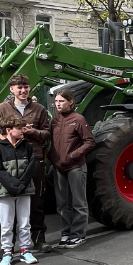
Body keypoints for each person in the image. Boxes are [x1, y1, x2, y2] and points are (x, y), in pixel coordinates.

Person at [0, 74, 52, 253]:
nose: (23, 90)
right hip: (10, 159)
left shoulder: (39, 109)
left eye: (25, 87)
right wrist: (7, 133)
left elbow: (47, 133)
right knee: (11, 203)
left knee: (37, 202)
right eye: (19, 87)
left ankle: (39, 239)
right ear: (12, 89)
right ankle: (8, 246)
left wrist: (32, 132)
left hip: (35, 159)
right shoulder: (2, 108)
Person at [48, 89, 95, 249]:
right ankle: (66, 233)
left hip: (75, 167)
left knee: (78, 202)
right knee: (62, 204)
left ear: (70, 102)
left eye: (61, 101)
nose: (58, 104)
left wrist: (72, 156)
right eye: (56, 101)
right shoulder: (54, 121)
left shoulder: (79, 119)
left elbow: (89, 141)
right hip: (59, 168)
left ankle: (78, 235)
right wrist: (52, 158)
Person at [0, 117, 40, 265]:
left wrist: (22, 184)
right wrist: (13, 186)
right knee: (6, 223)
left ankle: (25, 250)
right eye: (19, 128)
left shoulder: (27, 146)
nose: (23, 131)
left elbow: (31, 166)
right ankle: (7, 251)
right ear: (9, 130)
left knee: (24, 222)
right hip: (6, 191)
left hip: (24, 190)